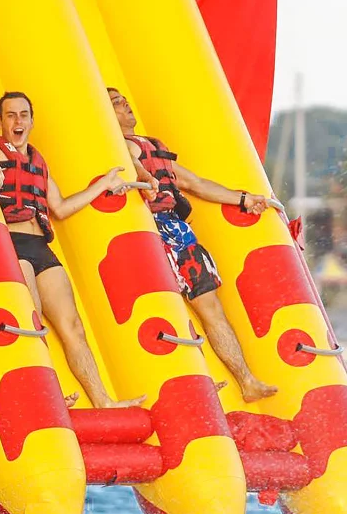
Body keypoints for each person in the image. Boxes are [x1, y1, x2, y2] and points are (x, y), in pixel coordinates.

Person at [108, 87, 278, 404]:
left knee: (211, 309)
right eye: (116, 103)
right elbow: (136, 168)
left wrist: (244, 198)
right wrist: (144, 175)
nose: (125, 105)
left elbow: (196, 184)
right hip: (153, 232)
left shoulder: (150, 147)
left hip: (180, 233)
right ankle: (194, 375)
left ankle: (247, 381)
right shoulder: (118, 148)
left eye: (124, 100)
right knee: (168, 305)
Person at [0, 92, 145, 410]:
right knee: (33, 320)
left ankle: (102, 400)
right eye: (11, 115)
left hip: (40, 246)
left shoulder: (39, 164)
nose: (17, 121)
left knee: (73, 327)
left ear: (31, 120)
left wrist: (102, 185)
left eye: (23, 115)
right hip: (12, 244)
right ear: (0, 121)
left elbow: (61, 207)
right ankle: (48, 396)